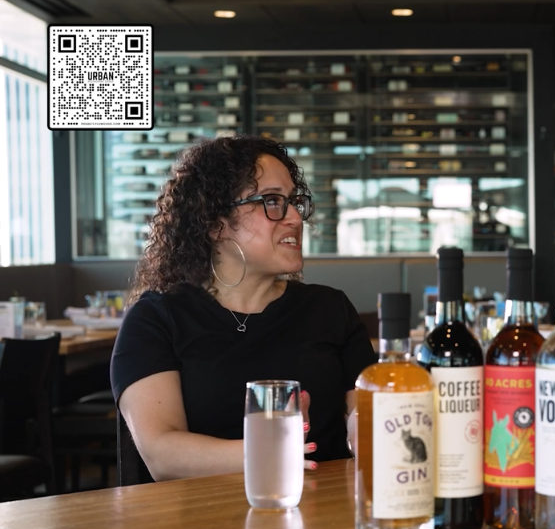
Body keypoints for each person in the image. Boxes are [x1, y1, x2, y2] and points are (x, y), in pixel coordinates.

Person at [111, 136, 375, 481]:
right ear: (215, 223)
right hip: (202, 511)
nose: (295, 217)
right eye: (272, 201)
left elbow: (363, 414)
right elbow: (163, 456)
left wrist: (363, 428)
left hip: (324, 506)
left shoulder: (330, 308)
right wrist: (273, 449)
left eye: (295, 201)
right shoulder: (157, 318)